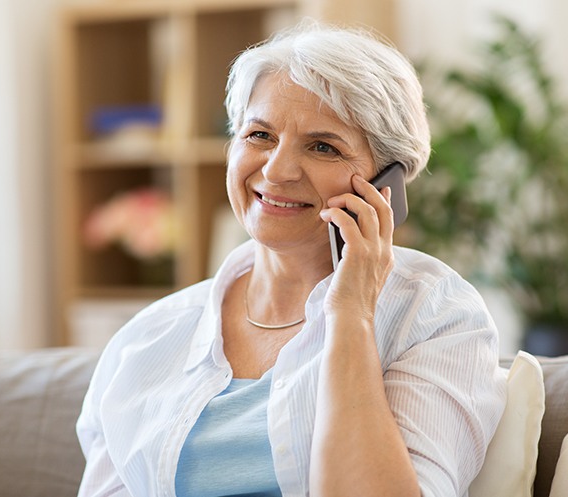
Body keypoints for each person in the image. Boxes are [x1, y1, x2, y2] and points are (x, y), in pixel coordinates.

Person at [76, 20, 506, 497]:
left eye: (323, 147)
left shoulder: (435, 314)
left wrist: (351, 315)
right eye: (259, 135)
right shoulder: (146, 340)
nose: (276, 170)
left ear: (387, 183)